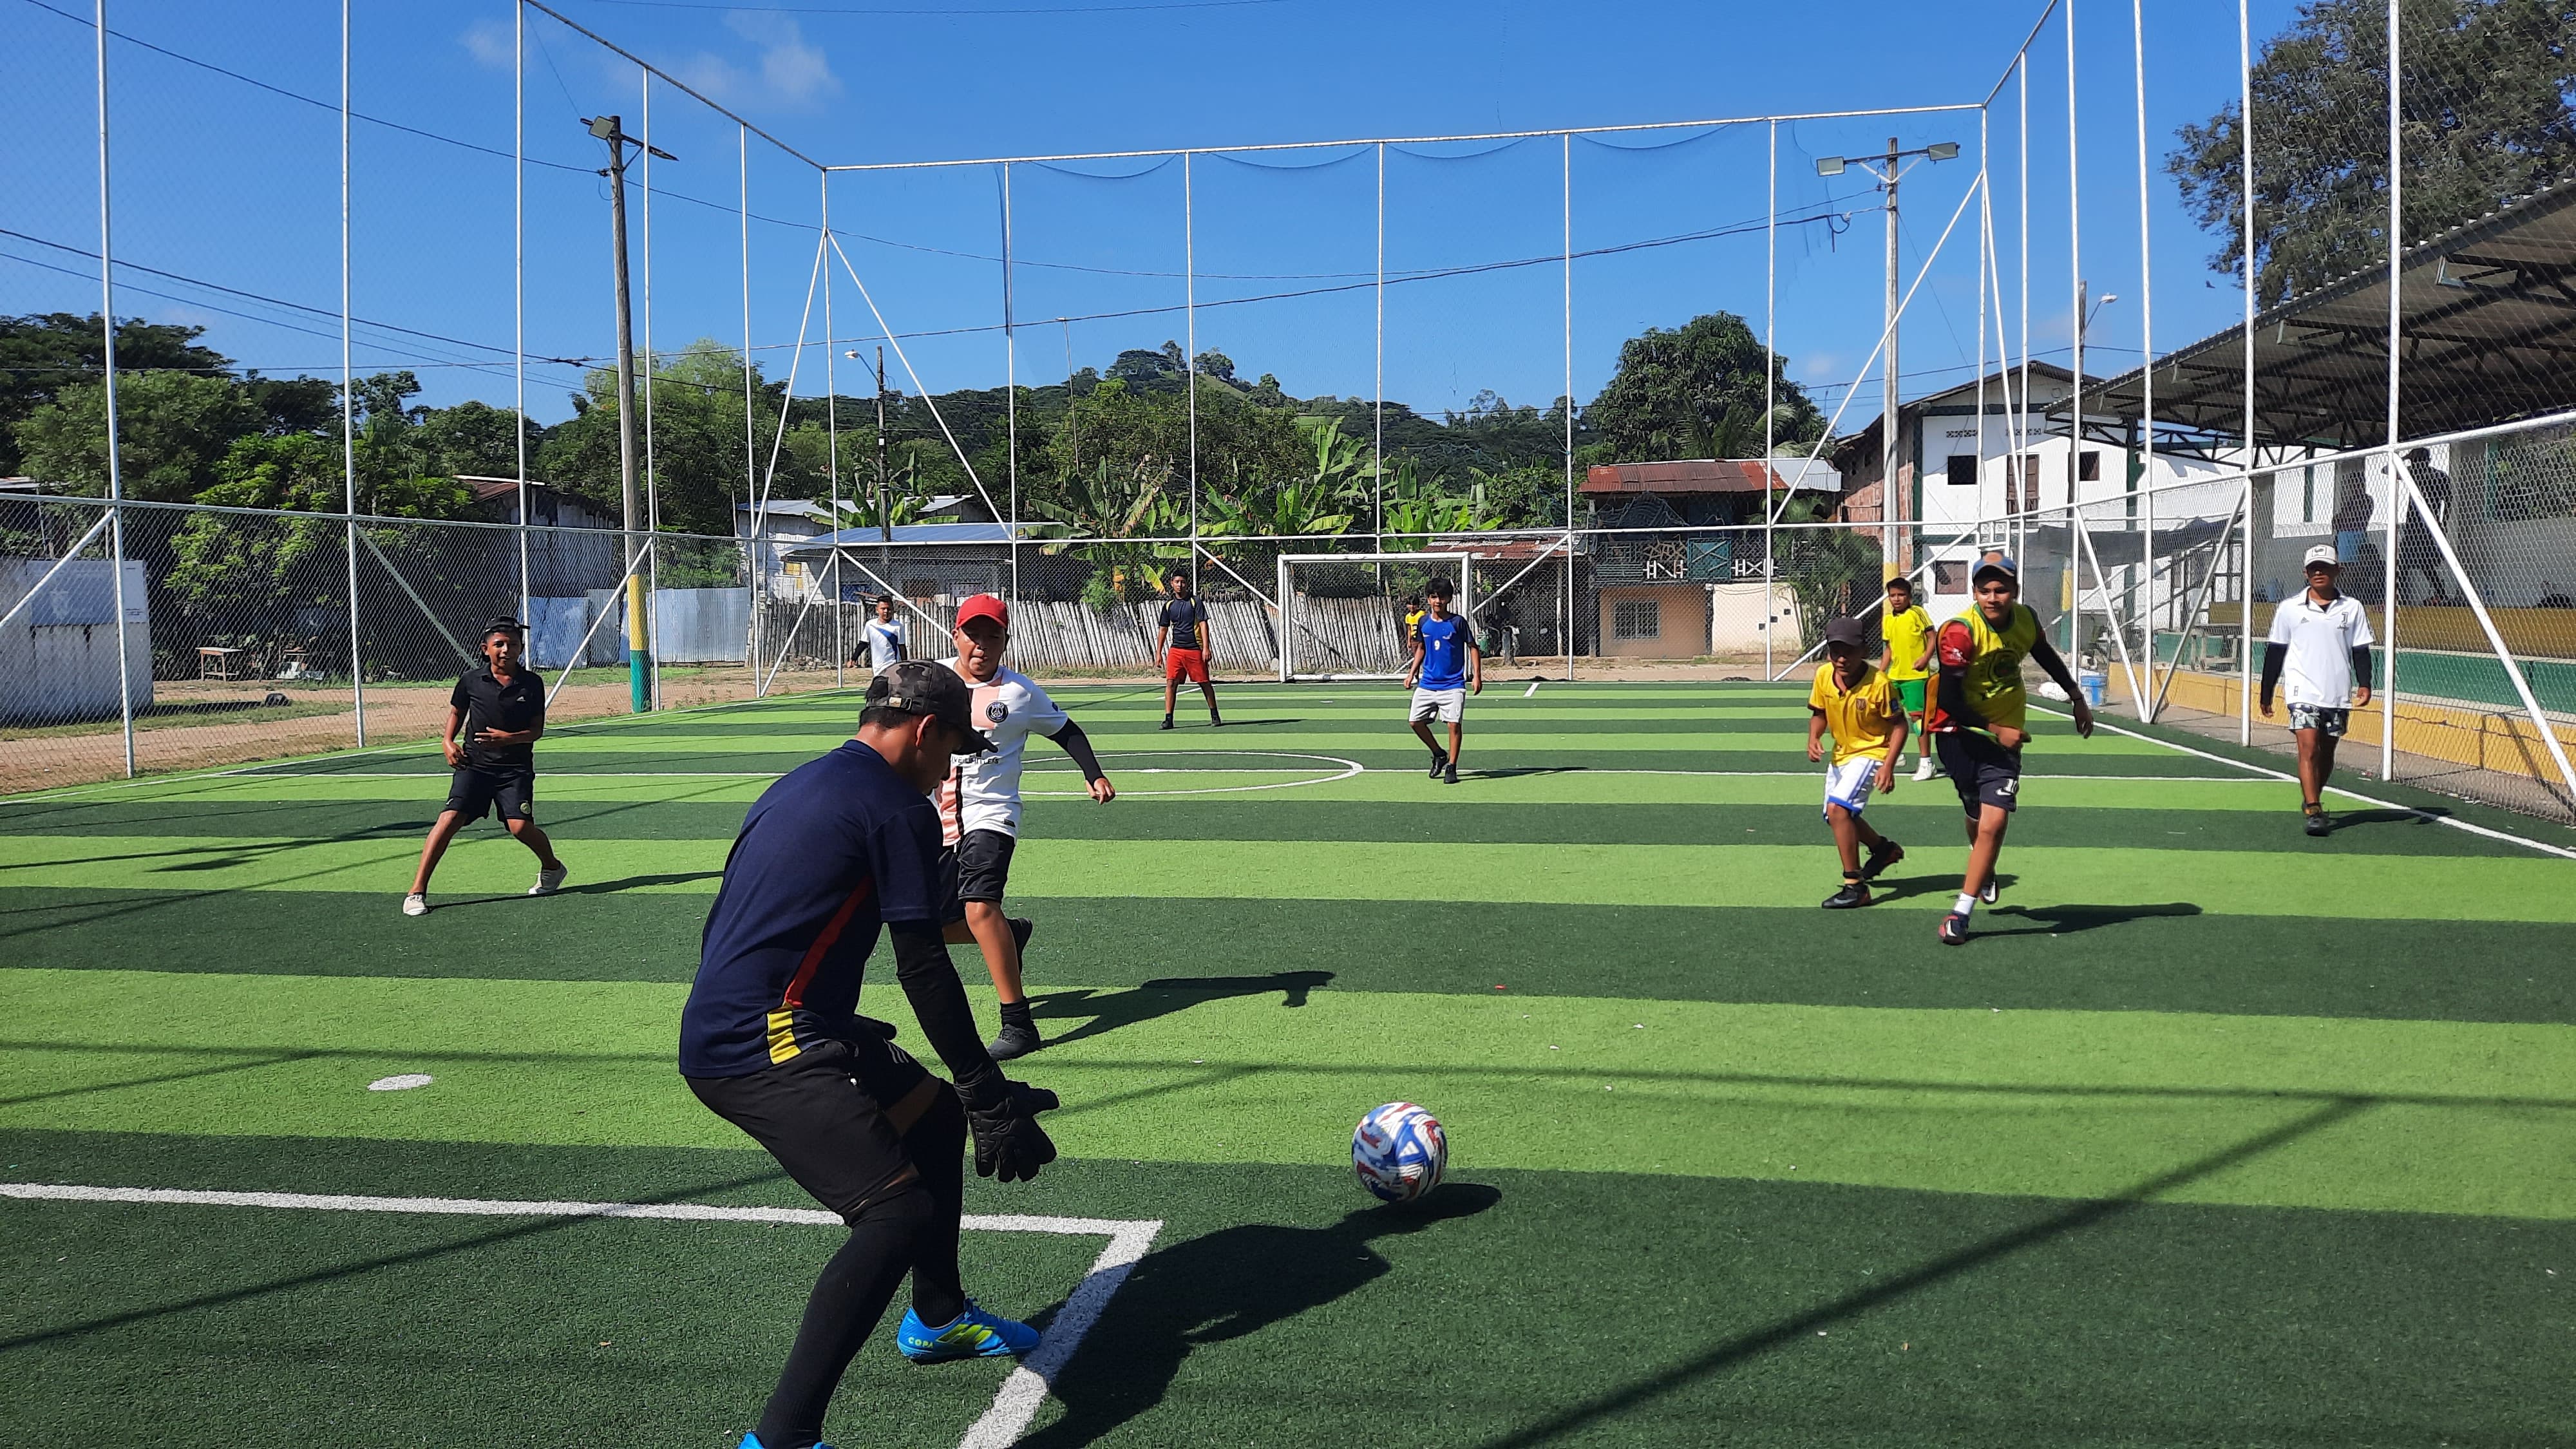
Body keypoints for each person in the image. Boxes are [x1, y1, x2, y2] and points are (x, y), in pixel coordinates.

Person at [680, 660, 1063, 1449]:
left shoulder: (801, 782)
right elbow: (922, 966)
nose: (950, 771)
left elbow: (739, 922)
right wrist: (986, 1088)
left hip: (765, 1018)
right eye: (951, 749)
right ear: (924, 732)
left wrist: (838, 1021)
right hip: (756, 1041)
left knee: (933, 1120)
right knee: (896, 1212)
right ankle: (783, 1437)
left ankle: (938, 1317)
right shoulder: (897, 808)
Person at [942, 594, 1117, 1061]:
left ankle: (1018, 1024)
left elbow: (1066, 730)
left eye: (992, 636)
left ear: (1005, 642)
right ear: (956, 635)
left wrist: (1094, 773)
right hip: (936, 820)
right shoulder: (934, 680)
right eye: (973, 635)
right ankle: (1010, 934)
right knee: (931, 926)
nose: (981, 645)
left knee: (980, 907)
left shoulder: (1019, 692)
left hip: (992, 815)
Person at [1925, 556, 2094, 945]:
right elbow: (1949, 699)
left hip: (2006, 736)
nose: (1993, 597)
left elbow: (2044, 653)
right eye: (1984, 590)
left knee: (1994, 822)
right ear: (1974, 593)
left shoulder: (2026, 619)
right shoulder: (1959, 632)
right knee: (1974, 812)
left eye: (2001, 589)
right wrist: (1993, 730)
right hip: (1958, 733)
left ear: (2015, 591)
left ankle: (1960, 914)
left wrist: (2076, 697)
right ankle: (1983, 867)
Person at [404, 617, 564, 916]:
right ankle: (417, 891)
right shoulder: (471, 680)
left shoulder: (531, 683)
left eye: (513, 644)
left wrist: (508, 739)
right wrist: (447, 742)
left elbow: (536, 731)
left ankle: (553, 867)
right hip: (474, 765)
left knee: (519, 827)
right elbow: (457, 712)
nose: (506, 650)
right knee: (448, 820)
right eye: (499, 644)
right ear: (485, 649)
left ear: (521, 648)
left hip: (514, 769)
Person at [2260, 544, 2375, 837]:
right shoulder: (2289, 608)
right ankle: (2314, 809)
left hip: (2337, 691)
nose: (2319, 573)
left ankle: (2312, 794)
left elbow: (2361, 650)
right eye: (2313, 569)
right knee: (2308, 747)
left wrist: (2365, 683)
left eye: (2325, 567)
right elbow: (2276, 651)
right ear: (2305, 573)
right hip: (2301, 690)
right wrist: (2266, 691)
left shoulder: (2352, 608)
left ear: (2338, 570)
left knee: (2326, 751)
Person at [1808, 617, 1908, 909]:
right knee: (1836, 817)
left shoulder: (1880, 684)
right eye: (1836, 651)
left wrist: (1888, 765)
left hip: (1872, 751)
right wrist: (1814, 737)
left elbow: (1900, 725)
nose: (1842, 658)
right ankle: (1882, 849)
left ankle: (1855, 886)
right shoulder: (1823, 675)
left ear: (1864, 650)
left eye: (1849, 651)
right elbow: (1819, 713)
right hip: (1842, 754)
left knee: (1838, 809)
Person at [1405, 576, 1482, 785]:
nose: (1437, 601)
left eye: (1442, 597)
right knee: (1414, 722)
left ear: (1449, 599)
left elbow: (1473, 647)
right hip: (1428, 684)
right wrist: (1412, 673)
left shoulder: (1458, 622)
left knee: (1453, 725)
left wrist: (1477, 675)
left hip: (1453, 684)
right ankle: (1439, 754)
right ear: (1428, 599)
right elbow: (1421, 648)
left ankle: (1452, 767)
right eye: (1433, 597)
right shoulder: (1423, 622)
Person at [1878, 575, 1938, 781]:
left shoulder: (1917, 613)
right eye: (1893, 595)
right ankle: (1897, 754)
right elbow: (1889, 649)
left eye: (1901, 595)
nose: (1896, 599)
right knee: (1888, 715)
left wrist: (1925, 658)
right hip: (1894, 677)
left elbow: (1933, 638)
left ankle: (1926, 762)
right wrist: (1881, 673)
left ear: (1909, 596)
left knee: (1918, 719)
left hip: (1915, 677)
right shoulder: (1888, 619)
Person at [1155, 570, 1222, 730]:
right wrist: (1158, 653)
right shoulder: (1169, 605)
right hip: (1176, 650)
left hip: (1194, 649)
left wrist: (1206, 648)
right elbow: (1163, 629)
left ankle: (1215, 715)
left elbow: (1203, 624)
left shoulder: (1195, 601)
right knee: (1171, 683)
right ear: (1172, 584)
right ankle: (1168, 719)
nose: (1180, 585)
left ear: (1187, 584)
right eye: (1177, 582)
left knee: (1204, 682)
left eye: (1183, 582)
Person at [2398, 446, 2455, 605]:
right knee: (2425, 562)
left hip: (2416, 524)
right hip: (2429, 524)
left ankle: (2398, 596)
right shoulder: (2440, 475)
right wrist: (2444, 522)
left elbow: (2387, 470)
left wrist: (2404, 457)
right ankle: (2440, 593)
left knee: (2405, 561)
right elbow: (2448, 501)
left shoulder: (2413, 473)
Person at [858, 596, 905, 674]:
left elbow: (902, 646)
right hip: (877, 667)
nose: (886, 611)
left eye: (889, 609)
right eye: (883, 609)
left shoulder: (898, 626)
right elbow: (864, 643)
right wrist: (853, 659)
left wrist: (904, 664)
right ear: (877, 610)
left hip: (893, 665)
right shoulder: (870, 625)